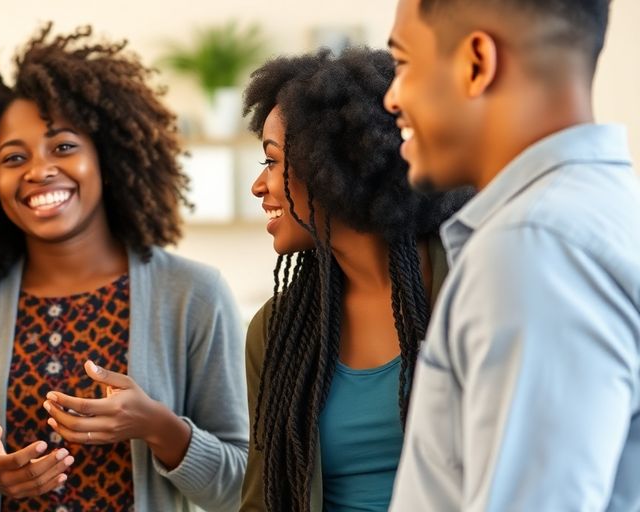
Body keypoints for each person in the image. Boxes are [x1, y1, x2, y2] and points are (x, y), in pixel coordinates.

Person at [0, 24, 247, 512]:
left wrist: (159, 427)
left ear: (105, 158)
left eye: (63, 146)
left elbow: (244, 489)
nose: (39, 169)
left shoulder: (194, 296)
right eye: (13, 157)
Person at [385, 0, 640, 510]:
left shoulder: (534, 248)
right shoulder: (605, 211)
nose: (392, 97)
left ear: (477, 62)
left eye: (403, 63)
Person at [239, 48, 468, 512]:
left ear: (333, 164)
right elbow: (264, 499)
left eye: (272, 160)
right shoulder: (278, 330)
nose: (259, 186)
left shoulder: (471, 288)